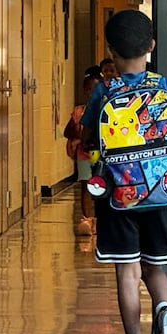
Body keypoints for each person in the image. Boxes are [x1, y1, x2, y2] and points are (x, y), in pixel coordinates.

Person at [80, 9, 167, 334]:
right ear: (152, 46)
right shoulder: (165, 87)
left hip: (120, 194)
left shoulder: (104, 90)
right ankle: (165, 311)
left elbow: (88, 140)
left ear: (111, 51)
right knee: (155, 266)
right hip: (161, 192)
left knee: (128, 272)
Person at [64, 66, 102, 235]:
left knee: (101, 185)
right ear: (85, 91)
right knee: (86, 185)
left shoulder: (107, 111)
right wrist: (77, 130)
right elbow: (67, 132)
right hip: (84, 154)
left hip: (102, 155)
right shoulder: (79, 112)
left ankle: (100, 218)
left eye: (96, 89)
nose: (92, 92)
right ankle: (87, 218)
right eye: (89, 89)